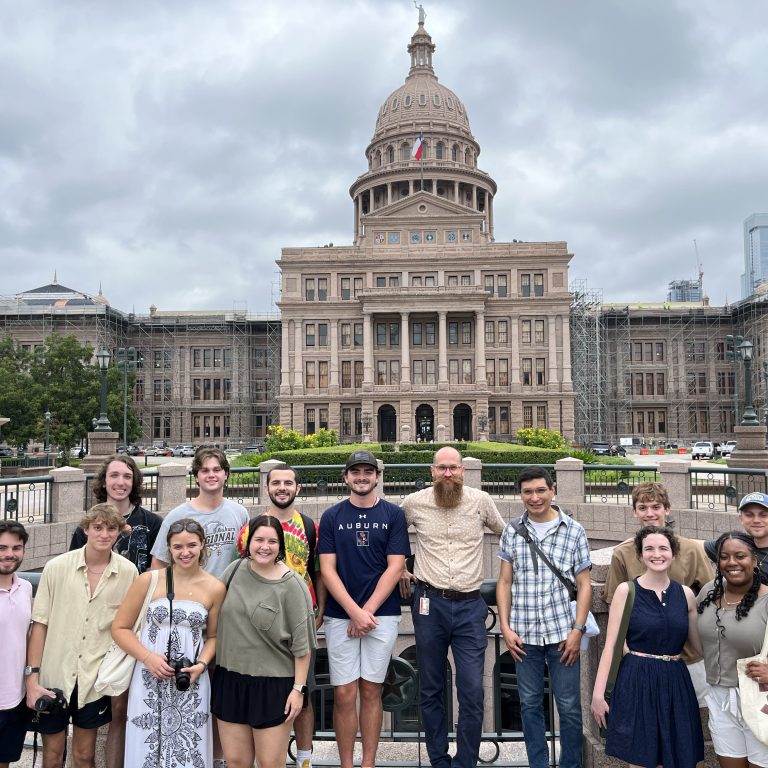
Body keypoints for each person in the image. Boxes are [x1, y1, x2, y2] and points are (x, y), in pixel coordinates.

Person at [401, 446, 504, 768]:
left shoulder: (481, 501)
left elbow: (510, 537)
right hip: (429, 603)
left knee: (472, 690)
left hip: (471, 606)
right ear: (432, 471)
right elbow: (389, 539)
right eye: (442, 468)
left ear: (463, 471)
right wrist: (402, 567)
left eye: (454, 468)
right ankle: (438, 760)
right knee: (430, 686)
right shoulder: (414, 503)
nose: (448, 474)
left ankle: (466, 762)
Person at [69, 453, 163, 768]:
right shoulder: (87, 527)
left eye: (126, 476)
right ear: (104, 481)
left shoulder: (152, 523)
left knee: (120, 711)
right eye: (114, 476)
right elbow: (74, 575)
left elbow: (157, 578)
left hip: (134, 628)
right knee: (86, 708)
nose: (120, 483)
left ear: (134, 482)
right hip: (93, 630)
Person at [25, 503, 137, 768]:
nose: (104, 534)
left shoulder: (128, 573)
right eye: (97, 527)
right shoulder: (56, 567)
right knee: (52, 756)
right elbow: (39, 624)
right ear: (86, 529)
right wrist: (33, 676)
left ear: (119, 532)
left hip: (94, 680)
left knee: (84, 755)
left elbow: (129, 627)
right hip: (55, 675)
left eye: (111, 528)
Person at [318, 451, 410, 768]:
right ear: (345, 477)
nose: (361, 477)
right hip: (340, 616)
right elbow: (327, 570)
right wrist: (354, 612)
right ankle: (346, 764)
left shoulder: (393, 514)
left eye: (367, 472)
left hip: (381, 615)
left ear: (377, 477)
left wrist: (365, 612)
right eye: (355, 471)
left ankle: (368, 763)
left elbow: (396, 566)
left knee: (371, 690)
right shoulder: (332, 516)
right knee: (344, 693)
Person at [496, 466, 591, 768]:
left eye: (540, 490)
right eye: (527, 492)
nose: (534, 497)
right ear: (520, 495)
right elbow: (504, 582)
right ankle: (538, 764)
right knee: (529, 705)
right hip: (524, 636)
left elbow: (584, 584)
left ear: (553, 491)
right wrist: (505, 627)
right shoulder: (512, 530)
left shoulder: (574, 530)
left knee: (569, 707)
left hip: (563, 634)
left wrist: (577, 629)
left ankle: (570, 765)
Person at [113, 518, 224, 767]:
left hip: (191, 680)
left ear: (202, 545)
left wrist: (202, 665)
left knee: (189, 748)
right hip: (148, 676)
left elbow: (215, 636)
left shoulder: (215, 588)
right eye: (178, 547)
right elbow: (119, 628)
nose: (185, 552)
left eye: (192, 545)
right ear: (169, 549)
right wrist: (148, 657)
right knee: (146, 745)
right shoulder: (148, 580)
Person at [235, 462, 325, 768]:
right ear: (267, 487)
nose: (282, 488)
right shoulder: (250, 528)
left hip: (300, 621)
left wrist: (321, 608)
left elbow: (317, 571)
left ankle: (304, 759)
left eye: (288, 483)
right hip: (258, 627)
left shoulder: (310, 526)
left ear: (298, 488)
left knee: (304, 692)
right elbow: (240, 572)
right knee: (261, 689)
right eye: (276, 483)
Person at [592, 526, 704, 767]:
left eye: (663, 548)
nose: (657, 554)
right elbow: (610, 645)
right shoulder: (626, 591)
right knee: (641, 758)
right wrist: (598, 694)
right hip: (637, 679)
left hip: (675, 681)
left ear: (673, 554)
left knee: (679, 756)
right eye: (649, 549)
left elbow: (701, 646)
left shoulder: (685, 595)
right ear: (641, 555)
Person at [212, 515, 316, 768]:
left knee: (270, 763)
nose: (264, 546)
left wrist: (298, 690)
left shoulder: (293, 585)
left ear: (281, 545)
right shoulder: (233, 571)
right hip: (230, 680)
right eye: (258, 539)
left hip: (274, 686)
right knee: (236, 761)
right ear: (249, 542)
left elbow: (303, 647)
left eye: (272, 541)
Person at [603, 481, 713, 703]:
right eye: (643, 508)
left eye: (656, 507)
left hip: (687, 657)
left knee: (690, 723)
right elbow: (613, 605)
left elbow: (711, 595)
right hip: (643, 660)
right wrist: (624, 651)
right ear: (634, 512)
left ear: (667, 509)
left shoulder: (691, 549)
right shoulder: (622, 554)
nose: (649, 514)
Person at [697, 531, 768, 768]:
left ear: (755, 559)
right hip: (719, 697)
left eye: (740, 556)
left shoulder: (766, 600)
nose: (732, 563)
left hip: (759, 699)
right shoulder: (708, 592)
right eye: (724, 557)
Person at [151, 447, 248, 578]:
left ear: (226, 474)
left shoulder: (240, 513)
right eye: (205, 470)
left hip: (231, 593)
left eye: (217, 470)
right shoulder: (177, 516)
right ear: (196, 477)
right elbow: (159, 562)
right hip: (191, 594)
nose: (211, 475)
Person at [0, 522, 32, 768]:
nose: (9, 554)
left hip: (15, 698)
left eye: (15, 547)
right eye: (1, 547)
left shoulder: (26, 588)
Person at [705, 492, 768, 582]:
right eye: (749, 515)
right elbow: (694, 547)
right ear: (741, 518)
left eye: (763, 515)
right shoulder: (735, 545)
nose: (756, 520)